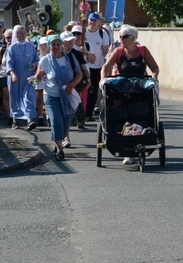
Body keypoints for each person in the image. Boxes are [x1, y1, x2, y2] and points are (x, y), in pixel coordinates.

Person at [100, 24, 160, 164]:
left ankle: (142, 135)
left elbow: (155, 67)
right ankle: (125, 146)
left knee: (142, 106)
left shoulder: (143, 50)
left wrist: (154, 78)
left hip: (140, 85)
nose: (121, 39)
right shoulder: (119, 51)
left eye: (124, 37)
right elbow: (106, 67)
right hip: (123, 86)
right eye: (120, 37)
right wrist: (103, 79)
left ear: (133, 38)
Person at [29, 34, 83, 161]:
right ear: (49, 46)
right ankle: (60, 149)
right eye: (53, 44)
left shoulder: (69, 57)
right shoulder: (45, 60)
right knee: (56, 120)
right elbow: (39, 76)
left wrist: (72, 85)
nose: (56, 47)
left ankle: (58, 141)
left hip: (68, 95)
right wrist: (32, 83)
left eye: (58, 44)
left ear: (61, 45)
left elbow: (79, 74)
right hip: (51, 96)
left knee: (66, 123)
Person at [6, 24, 39, 130]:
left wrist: (34, 65)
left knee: (29, 97)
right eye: (20, 33)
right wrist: (13, 74)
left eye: (24, 33)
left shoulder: (31, 46)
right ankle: (15, 120)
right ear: (16, 34)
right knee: (15, 98)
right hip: (16, 78)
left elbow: (37, 60)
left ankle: (30, 120)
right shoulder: (12, 48)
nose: (23, 35)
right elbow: (9, 63)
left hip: (30, 77)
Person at [61, 31, 89, 143]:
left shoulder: (76, 53)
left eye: (72, 40)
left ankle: (79, 120)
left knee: (76, 103)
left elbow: (83, 67)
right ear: (63, 42)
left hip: (75, 84)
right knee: (64, 110)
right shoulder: (58, 54)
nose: (72, 42)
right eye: (69, 41)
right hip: (61, 86)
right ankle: (65, 137)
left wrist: (88, 78)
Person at [84, 12, 111, 122]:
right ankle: (81, 112)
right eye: (91, 20)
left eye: (95, 20)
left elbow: (105, 49)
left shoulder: (102, 33)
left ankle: (88, 114)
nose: (93, 22)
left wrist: (106, 63)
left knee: (94, 90)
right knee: (84, 89)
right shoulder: (83, 32)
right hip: (85, 65)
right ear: (88, 20)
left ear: (99, 22)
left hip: (98, 66)